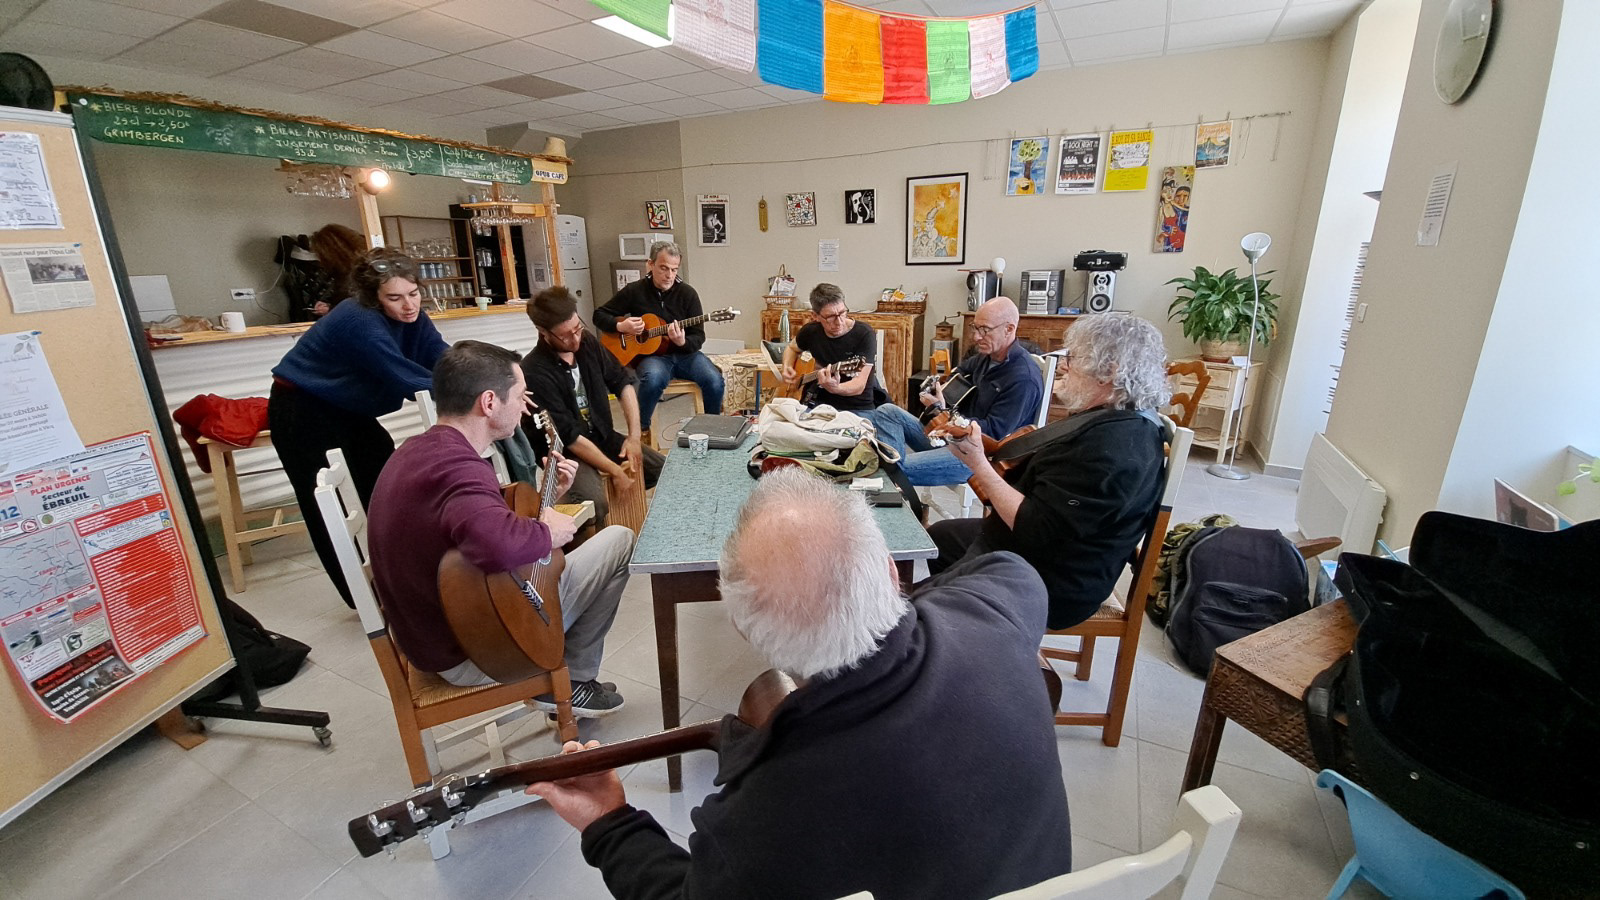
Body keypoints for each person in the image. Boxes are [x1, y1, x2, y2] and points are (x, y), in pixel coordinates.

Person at [526, 469, 1073, 899]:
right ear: (889, 570)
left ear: (743, 629)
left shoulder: (767, 815)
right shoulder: (992, 615)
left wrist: (609, 821)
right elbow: (1010, 568)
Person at [367, 341, 632, 714]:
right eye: (520, 396)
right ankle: (573, 681)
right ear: (489, 402)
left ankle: (570, 676)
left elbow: (475, 527)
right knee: (620, 540)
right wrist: (548, 533)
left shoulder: (418, 449)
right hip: (475, 651)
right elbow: (498, 548)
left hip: (439, 633)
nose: (524, 407)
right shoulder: (460, 469)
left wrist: (550, 497)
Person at [930, 314, 1170, 630]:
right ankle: (964, 630)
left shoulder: (1114, 449)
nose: (1064, 366)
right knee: (939, 538)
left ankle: (969, 634)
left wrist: (978, 464)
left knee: (918, 608)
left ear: (1109, 372)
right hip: (1035, 549)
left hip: (1052, 584)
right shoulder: (1112, 417)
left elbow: (1036, 528)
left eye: (1074, 358)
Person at [269, 248, 447, 608]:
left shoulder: (414, 317)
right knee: (329, 505)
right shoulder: (357, 318)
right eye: (394, 298)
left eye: (414, 293)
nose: (409, 305)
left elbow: (441, 356)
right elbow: (403, 376)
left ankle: (399, 580)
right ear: (373, 297)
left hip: (345, 407)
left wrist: (484, 376)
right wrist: (477, 393)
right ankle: (365, 599)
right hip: (302, 408)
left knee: (386, 483)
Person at [523, 285, 663, 526]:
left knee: (661, 469)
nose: (576, 338)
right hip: (566, 452)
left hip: (601, 436)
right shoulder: (534, 371)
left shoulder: (587, 342)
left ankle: (621, 519)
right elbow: (570, 437)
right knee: (594, 504)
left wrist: (634, 437)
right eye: (565, 335)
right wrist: (615, 470)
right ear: (543, 332)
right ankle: (583, 529)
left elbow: (622, 382)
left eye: (577, 328)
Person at [869, 297, 1043, 486]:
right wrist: (944, 394)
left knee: (894, 469)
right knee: (886, 411)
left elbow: (994, 434)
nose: (976, 337)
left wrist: (945, 414)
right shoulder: (987, 356)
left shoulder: (1024, 379)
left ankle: (893, 475)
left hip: (979, 455)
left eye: (985, 330)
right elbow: (960, 371)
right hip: (952, 435)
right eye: (975, 328)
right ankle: (894, 470)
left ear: (1009, 329)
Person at [593, 241, 725, 439]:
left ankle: (712, 430)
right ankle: (641, 431)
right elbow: (599, 315)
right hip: (653, 357)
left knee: (714, 380)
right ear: (650, 264)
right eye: (664, 268)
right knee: (652, 379)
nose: (669, 275)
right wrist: (622, 326)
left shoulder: (688, 294)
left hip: (686, 355)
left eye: (674, 269)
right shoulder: (634, 291)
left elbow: (698, 337)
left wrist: (682, 342)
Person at [779, 283, 886, 412]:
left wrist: (835, 388)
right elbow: (792, 348)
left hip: (857, 408)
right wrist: (787, 366)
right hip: (815, 402)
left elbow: (859, 385)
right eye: (830, 317)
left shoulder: (864, 333)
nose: (839, 322)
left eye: (842, 313)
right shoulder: (810, 331)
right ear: (815, 316)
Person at [308, 223, 366, 316]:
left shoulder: (356, 274)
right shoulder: (343, 272)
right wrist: (329, 306)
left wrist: (330, 309)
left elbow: (358, 308)